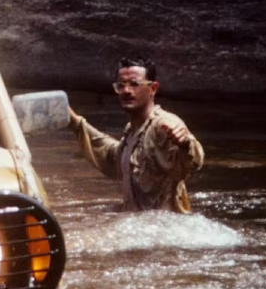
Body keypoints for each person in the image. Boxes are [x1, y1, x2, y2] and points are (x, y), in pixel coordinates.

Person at [71, 58, 204, 211]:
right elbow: (114, 158)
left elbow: (190, 164)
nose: (126, 91)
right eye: (121, 85)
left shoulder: (164, 125)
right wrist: (75, 122)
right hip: (138, 224)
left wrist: (186, 144)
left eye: (135, 84)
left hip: (163, 227)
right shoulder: (132, 129)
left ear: (153, 88)